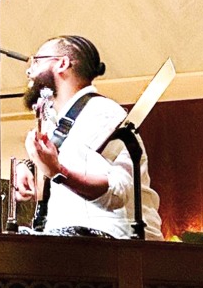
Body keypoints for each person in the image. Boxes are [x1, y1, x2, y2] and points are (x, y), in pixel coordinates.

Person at [13, 35, 163, 240]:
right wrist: (27, 166)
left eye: (37, 61)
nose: (29, 70)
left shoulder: (102, 113)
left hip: (117, 252)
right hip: (72, 247)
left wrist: (58, 172)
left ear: (62, 63)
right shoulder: (55, 120)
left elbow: (117, 193)